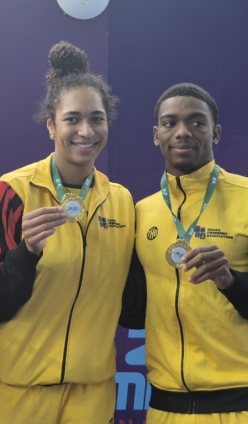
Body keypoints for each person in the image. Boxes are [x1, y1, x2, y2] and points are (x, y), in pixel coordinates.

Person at [0, 41, 135, 423]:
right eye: (72, 119)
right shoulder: (12, 191)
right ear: (50, 125)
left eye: (96, 119)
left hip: (91, 396)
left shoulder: (122, 201)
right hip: (16, 391)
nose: (86, 131)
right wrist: (25, 253)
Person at [120, 83, 248, 422]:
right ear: (156, 135)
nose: (182, 132)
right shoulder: (141, 212)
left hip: (238, 405)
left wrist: (231, 281)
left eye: (197, 122)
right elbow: (133, 313)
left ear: (216, 133)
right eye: (170, 123)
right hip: (165, 408)